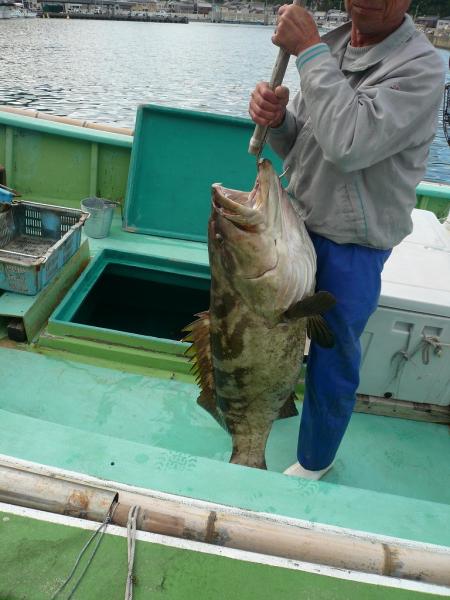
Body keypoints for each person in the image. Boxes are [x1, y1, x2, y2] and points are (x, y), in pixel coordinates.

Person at [248, 0, 445, 480]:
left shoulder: (421, 70)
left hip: (353, 244)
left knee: (332, 355)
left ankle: (316, 459)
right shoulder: (332, 46)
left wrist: (309, 51)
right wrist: (278, 124)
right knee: (262, 329)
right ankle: (257, 413)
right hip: (298, 228)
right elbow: (307, 148)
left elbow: (350, 143)